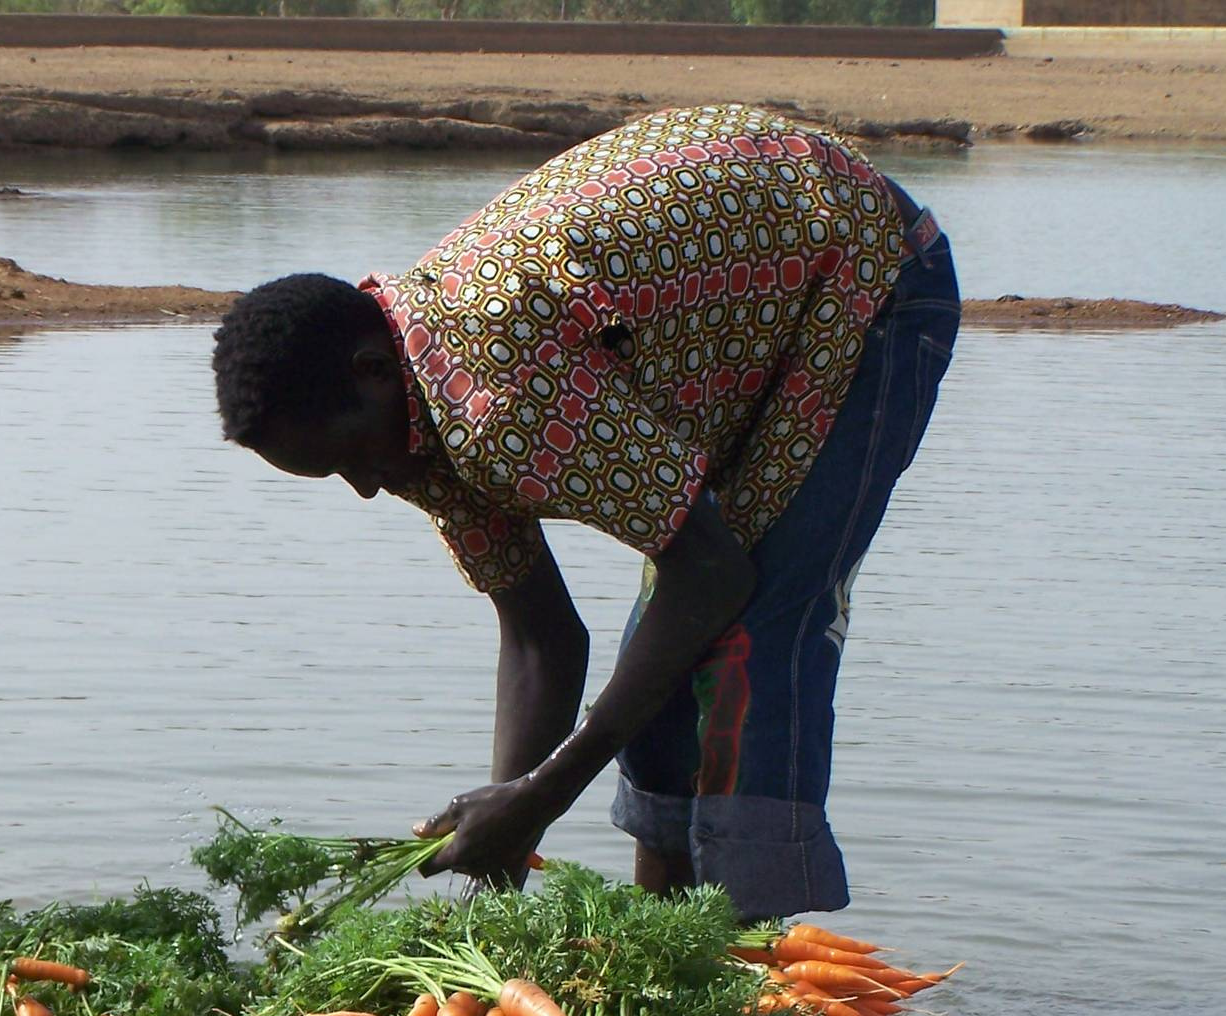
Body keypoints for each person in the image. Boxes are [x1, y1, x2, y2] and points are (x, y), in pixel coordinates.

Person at [211, 105, 958, 920]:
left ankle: (745, 991)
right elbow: (542, 640)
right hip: (744, 328)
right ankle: (663, 959)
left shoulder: (496, 392)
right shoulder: (413, 418)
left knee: (751, 644)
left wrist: (540, 793)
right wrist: (498, 866)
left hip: (863, 273)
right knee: (661, 667)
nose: (364, 485)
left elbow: (709, 574)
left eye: (351, 458)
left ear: (369, 370)